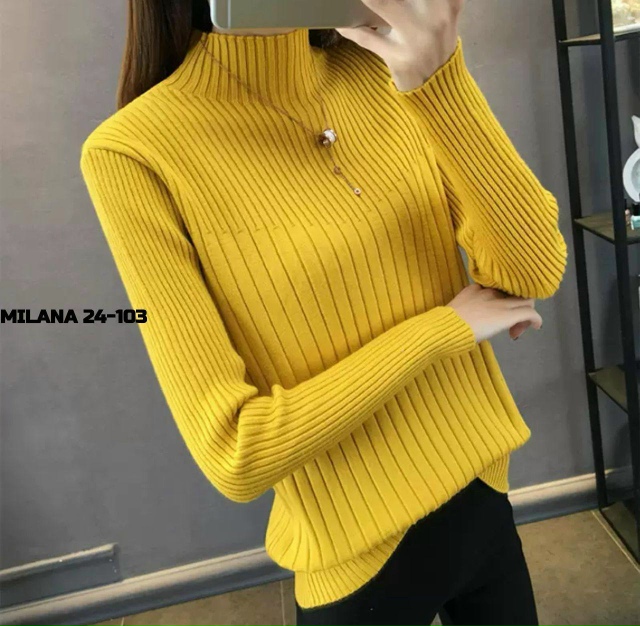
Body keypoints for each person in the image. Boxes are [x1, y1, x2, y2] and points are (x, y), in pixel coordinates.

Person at [79, 1, 568, 624]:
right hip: (358, 561)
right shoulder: (134, 151)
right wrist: (444, 329)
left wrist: (443, 82)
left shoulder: (387, 70)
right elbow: (235, 450)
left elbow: (532, 270)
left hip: (482, 492)